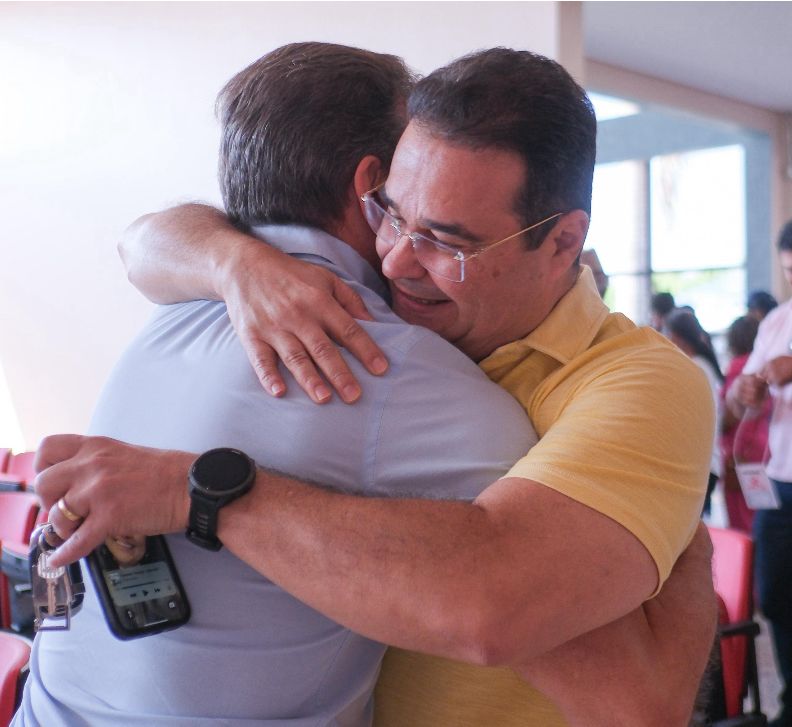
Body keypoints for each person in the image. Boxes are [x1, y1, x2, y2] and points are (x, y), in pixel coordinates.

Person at [26, 47, 716, 727]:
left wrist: (205, 494)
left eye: (448, 242)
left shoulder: (632, 382)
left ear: (563, 242)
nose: (394, 262)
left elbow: (625, 699)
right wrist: (233, 261)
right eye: (390, 213)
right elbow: (140, 242)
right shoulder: (317, 319)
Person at [727, 220, 792, 727]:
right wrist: (742, 392)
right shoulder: (776, 322)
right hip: (780, 481)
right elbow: (736, 402)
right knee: (775, 595)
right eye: (790, 271)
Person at [665, 309, 723, 517]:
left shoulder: (695, 367)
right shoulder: (700, 365)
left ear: (676, 337)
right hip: (702, 463)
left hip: (700, 464)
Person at [719, 315, 768, 533]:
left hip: (740, 456)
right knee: (761, 521)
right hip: (764, 452)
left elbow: (728, 418)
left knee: (741, 526)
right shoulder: (766, 368)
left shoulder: (739, 368)